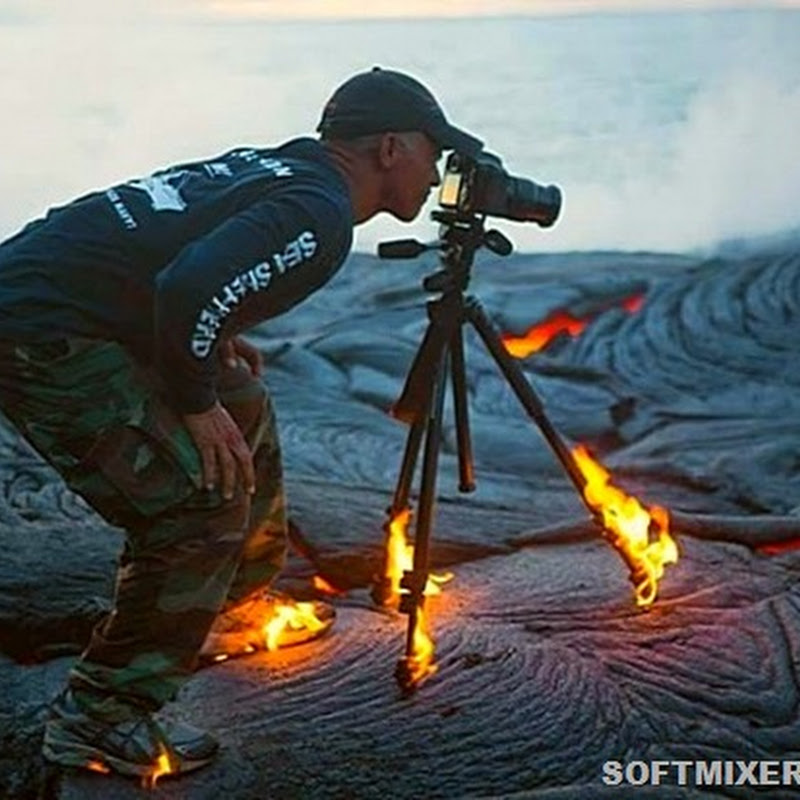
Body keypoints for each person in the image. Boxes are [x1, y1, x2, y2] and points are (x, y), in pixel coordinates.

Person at [0, 66, 482, 780]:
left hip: (64, 302)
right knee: (197, 504)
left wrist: (207, 337)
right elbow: (187, 284)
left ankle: (228, 603)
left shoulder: (285, 166)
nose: (438, 168)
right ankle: (99, 716)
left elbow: (174, 255)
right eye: (431, 150)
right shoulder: (317, 214)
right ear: (389, 148)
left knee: (243, 398)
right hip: (38, 331)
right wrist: (193, 401)